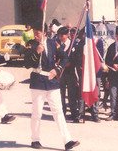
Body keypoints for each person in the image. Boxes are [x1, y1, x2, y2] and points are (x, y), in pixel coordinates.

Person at [24, 22, 79, 150]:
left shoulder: (53, 43)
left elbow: (64, 58)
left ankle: (67, 140)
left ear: (44, 32)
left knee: (58, 111)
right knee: (37, 112)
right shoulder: (31, 44)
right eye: (34, 33)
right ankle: (35, 139)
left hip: (52, 81)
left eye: (37, 33)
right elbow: (27, 63)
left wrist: (57, 70)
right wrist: (37, 52)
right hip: (38, 81)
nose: (35, 35)